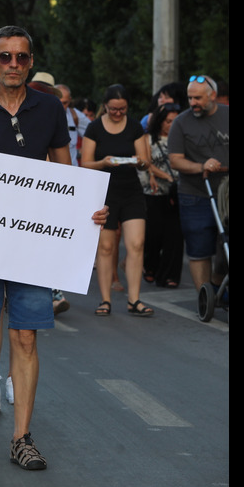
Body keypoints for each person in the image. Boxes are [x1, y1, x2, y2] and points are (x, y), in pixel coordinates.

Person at [0, 25, 107, 470]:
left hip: (32, 245)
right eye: (4, 57)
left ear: (31, 62)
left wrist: (90, 209)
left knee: (24, 337)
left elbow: (67, 178)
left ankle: (22, 436)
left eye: (21, 58)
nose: (13, 65)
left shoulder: (49, 109)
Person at [81, 84, 153, 317]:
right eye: (113, 109)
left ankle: (134, 299)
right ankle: (105, 299)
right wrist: (104, 163)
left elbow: (145, 160)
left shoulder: (134, 127)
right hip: (104, 192)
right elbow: (86, 163)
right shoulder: (94, 128)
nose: (118, 113)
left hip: (131, 189)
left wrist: (137, 162)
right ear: (105, 106)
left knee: (136, 244)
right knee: (106, 246)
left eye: (122, 109)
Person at [168, 75, 229, 292]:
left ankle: (217, 282)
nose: (193, 102)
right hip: (195, 193)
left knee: (225, 249)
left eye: (198, 98)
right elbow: (175, 159)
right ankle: (206, 297)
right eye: (190, 98)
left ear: (212, 96)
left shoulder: (226, 114)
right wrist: (201, 166)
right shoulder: (181, 122)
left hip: (227, 194)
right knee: (199, 249)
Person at [141, 102, 183, 288]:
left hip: (178, 191)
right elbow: (145, 162)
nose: (171, 125)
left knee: (174, 236)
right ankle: (150, 266)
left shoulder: (182, 139)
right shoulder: (148, 138)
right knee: (153, 234)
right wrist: (165, 176)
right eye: (168, 121)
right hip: (154, 191)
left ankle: (169, 276)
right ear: (159, 121)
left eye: (175, 121)